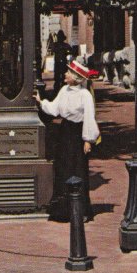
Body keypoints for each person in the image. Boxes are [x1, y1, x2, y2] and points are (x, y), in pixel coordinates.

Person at [34, 58, 100, 222]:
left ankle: (81, 210)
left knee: (77, 169)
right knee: (63, 167)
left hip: (78, 134)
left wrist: (88, 139)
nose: (65, 74)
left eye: (69, 72)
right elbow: (55, 108)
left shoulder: (85, 95)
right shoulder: (64, 90)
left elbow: (89, 117)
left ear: (76, 77)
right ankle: (62, 210)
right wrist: (41, 102)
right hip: (65, 132)